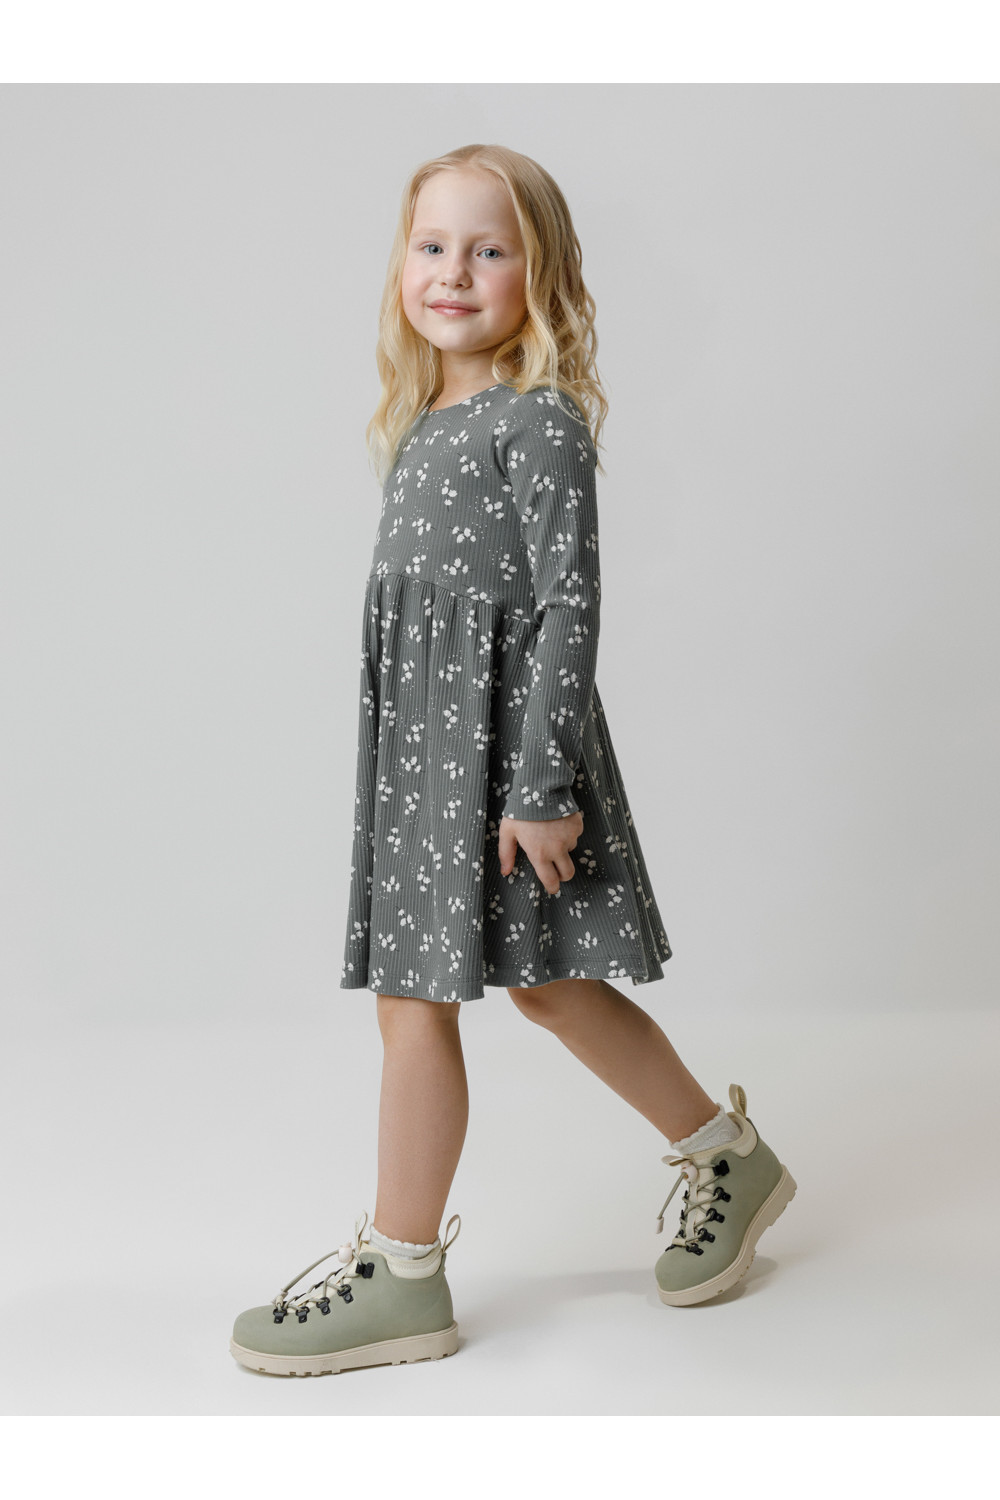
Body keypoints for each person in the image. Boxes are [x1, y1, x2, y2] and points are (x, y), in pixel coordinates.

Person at [230, 143, 796, 1379]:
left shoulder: (536, 422)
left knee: (546, 987)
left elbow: (564, 609)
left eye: (488, 249)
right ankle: (696, 1170)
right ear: (401, 266)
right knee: (428, 997)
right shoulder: (421, 420)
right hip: (427, 760)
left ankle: (423, 1267)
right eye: (431, 245)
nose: (453, 271)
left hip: (509, 763)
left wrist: (538, 787)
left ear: (539, 275)